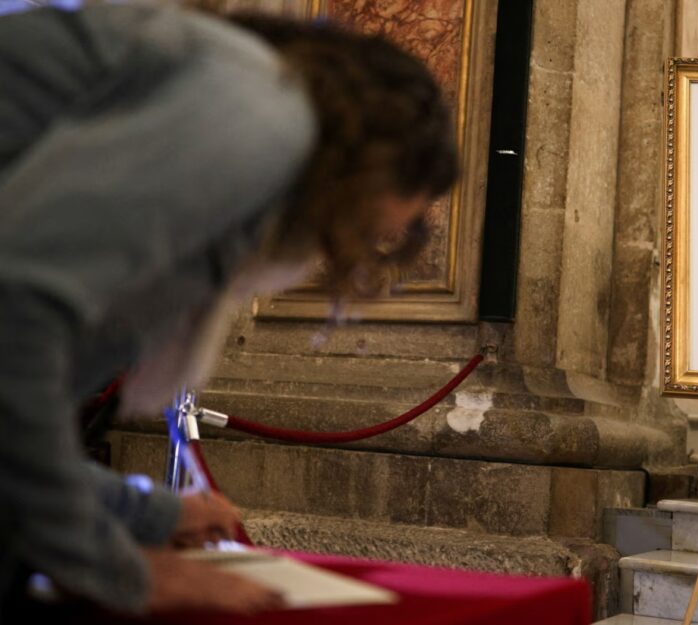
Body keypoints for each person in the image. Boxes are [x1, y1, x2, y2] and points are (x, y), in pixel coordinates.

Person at [0, 2, 456, 619]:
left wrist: (144, 513)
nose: (325, 257)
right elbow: (16, 309)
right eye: (347, 233)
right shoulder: (260, 114)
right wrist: (123, 572)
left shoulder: (243, 99)